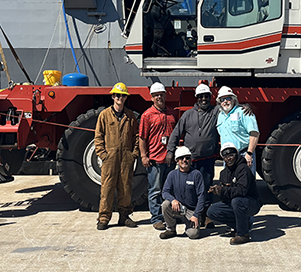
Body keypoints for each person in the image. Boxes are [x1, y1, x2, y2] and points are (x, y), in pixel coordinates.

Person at [166, 82, 219, 227]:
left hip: (207, 160)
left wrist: (246, 107)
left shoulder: (216, 112)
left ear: (210, 97)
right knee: (189, 188)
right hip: (190, 161)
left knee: (207, 188)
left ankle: (206, 216)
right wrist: (170, 150)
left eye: (206, 96)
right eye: (201, 97)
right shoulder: (188, 115)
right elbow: (176, 133)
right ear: (196, 98)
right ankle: (189, 215)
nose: (204, 99)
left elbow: (231, 107)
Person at [94, 82, 139, 230]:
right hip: (110, 157)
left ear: (126, 98)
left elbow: (136, 137)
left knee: (125, 188)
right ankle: (104, 218)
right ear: (113, 96)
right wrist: (103, 155)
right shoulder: (104, 115)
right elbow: (98, 137)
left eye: (123, 95)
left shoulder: (130, 115)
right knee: (107, 188)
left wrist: (133, 154)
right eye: (118, 95)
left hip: (126, 156)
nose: (120, 98)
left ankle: (124, 216)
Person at [207, 142, 261, 245]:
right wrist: (218, 191)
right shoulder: (223, 173)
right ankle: (242, 225)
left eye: (231, 155)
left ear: (236, 155)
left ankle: (243, 234)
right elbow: (226, 197)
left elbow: (242, 191)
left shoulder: (243, 169)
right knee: (212, 211)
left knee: (237, 201)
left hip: (251, 202)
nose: (229, 159)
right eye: (225, 157)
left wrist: (223, 190)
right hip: (235, 203)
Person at [139, 82, 176, 230]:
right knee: (155, 190)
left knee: (170, 190)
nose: (159, 97)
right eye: (156, 95)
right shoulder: (147, 115)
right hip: (155, 159)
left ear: (165, 96)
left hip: (170, 159)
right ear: (152, 98)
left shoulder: (172, 114)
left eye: (161, 94)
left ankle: (169, 216)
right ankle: (156, 218)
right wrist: (143, 156)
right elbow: (142, 138)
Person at [160, 146, 206, 240]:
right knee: (165, 204)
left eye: (187, 158)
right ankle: (171, 229)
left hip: (191, 211)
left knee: (193, 234)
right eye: (181, 158)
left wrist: (196, 215)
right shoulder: (172, 174)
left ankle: (189, 226)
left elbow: (202, 196)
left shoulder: (196, 174)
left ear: (190, 160)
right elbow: (165, 192)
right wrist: (173, 200)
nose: (184, 160)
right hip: (178, 207)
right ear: (177, 160)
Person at [216, 86, 259, 175]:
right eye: (222, 99)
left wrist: (249, 154)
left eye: (228, 98)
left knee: (246, 184)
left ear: (234, 99)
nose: (225, 101)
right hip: (227, 157)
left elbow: (254, 133)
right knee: (229, 185)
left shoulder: (244, 112)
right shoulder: (220, 116)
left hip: (244, 155)